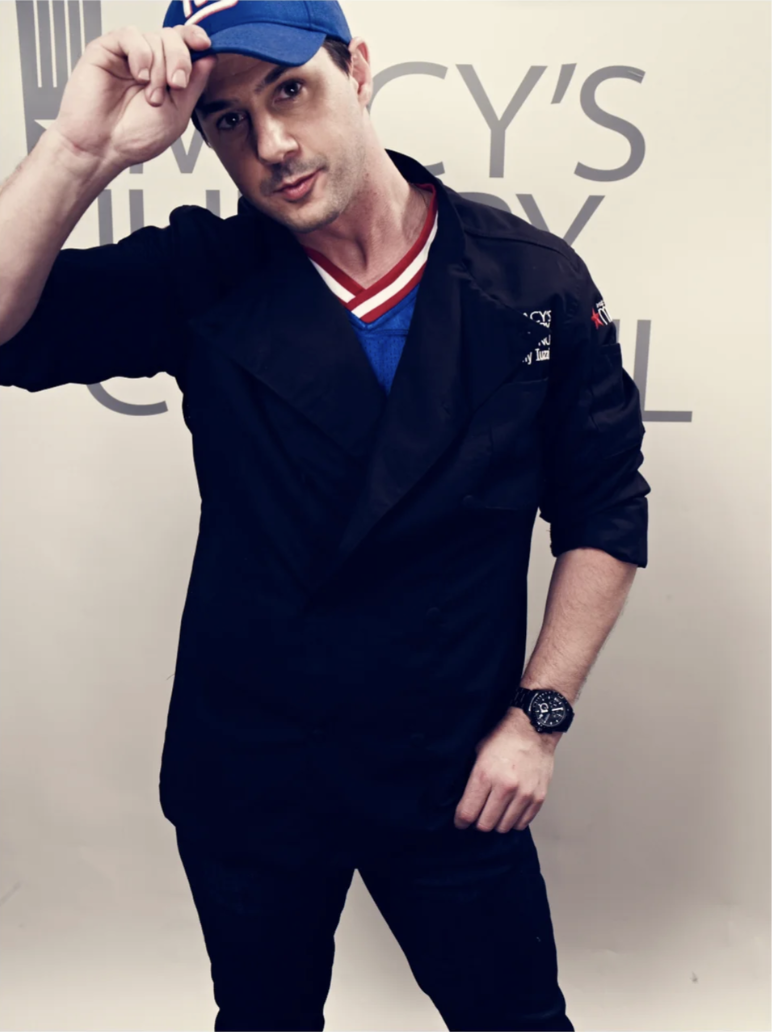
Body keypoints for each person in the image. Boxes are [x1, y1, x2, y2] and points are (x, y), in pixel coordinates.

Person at [0, 2, 651, 1029]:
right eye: (227, 120)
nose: (271, 145)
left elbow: (604, 508)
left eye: (290, 90)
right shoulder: (202, 273)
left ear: (357, 69)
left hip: (451, 767)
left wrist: (539, 720)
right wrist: (82, 151)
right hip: (254, 769)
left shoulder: (529, 280)